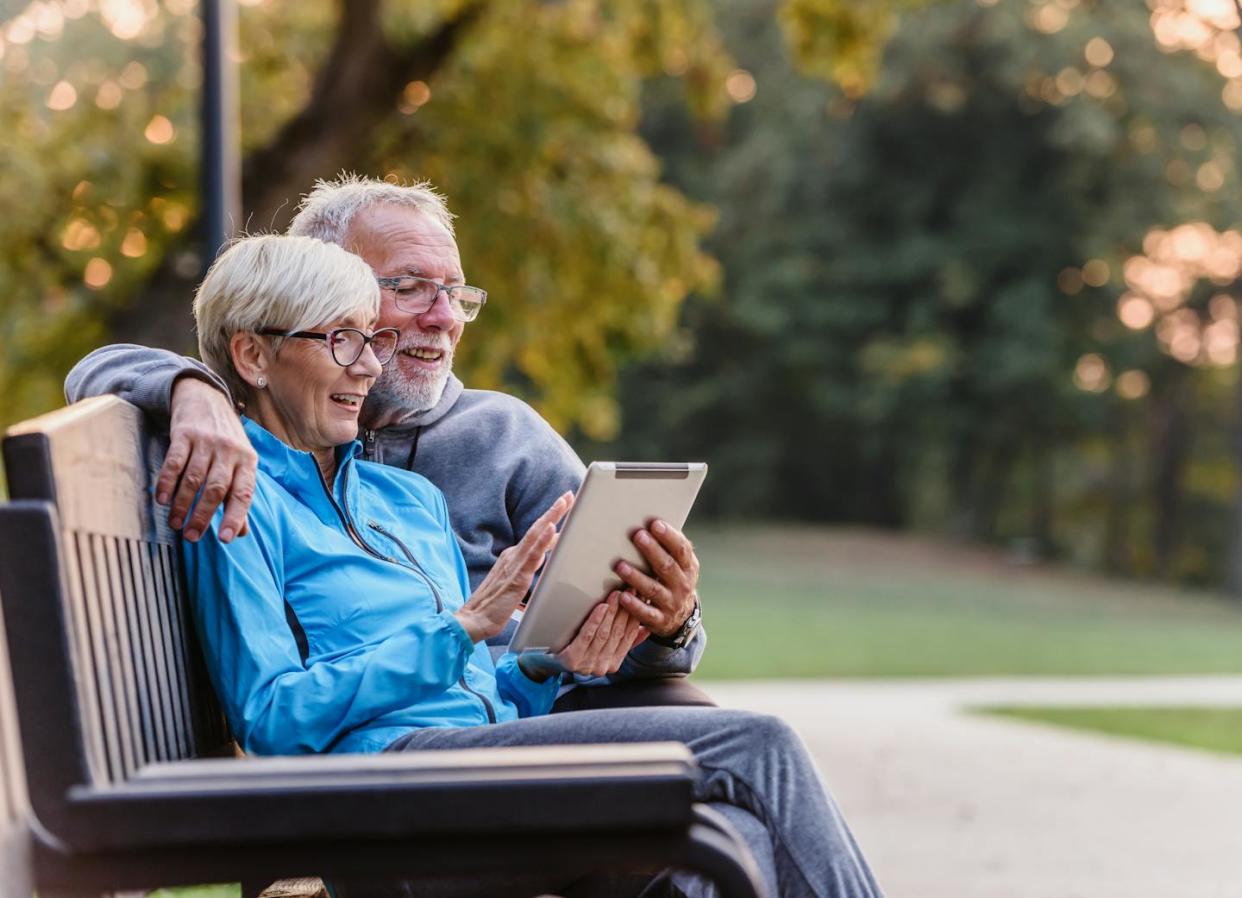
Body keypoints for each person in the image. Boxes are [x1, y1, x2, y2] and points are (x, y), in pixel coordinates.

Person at [182, 232, 883, 898]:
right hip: (381, 807)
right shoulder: (238, 501)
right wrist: (459, 630)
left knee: (729, 837)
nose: (368, 365)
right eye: (341, 340)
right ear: (252, 356)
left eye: (373, 339)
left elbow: (475, 693)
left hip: (476, 780)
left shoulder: (408, 500)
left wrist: (547, 663)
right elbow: (272, 716)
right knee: (755, 745)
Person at [67, 174, 709, 712]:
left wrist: (670, 625)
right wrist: (192, 388)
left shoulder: (499, 437)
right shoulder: (251, 454)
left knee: (716, 762)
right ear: (321, 285)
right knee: (733, 766)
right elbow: (94, 368)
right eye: (408, 288)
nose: (444, 317)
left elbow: (626, 636)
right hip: (417, 758)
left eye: (455, 293)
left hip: (526, 713)